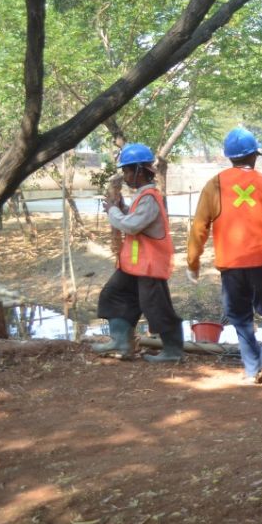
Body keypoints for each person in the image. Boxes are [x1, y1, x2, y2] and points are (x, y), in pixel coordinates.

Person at [186, 128, 262, 387]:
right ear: (254, 156)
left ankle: (251, 369)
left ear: (230, 157)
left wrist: (193, 262)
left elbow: (199, 226)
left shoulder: (214, 184)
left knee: (241, 317)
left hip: (230, 265)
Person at [92, 143, 183, 363]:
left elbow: (132, 226)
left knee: (157, 308)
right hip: (135, 265)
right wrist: (121, 209)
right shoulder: (143, 196)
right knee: (113, 295)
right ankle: (122, 342)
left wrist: (112, 210)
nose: (125, 176)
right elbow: (135, 221)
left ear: (140, 171)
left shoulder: (150, 197)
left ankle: (173, 352)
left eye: (127, 171)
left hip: (149, 266)